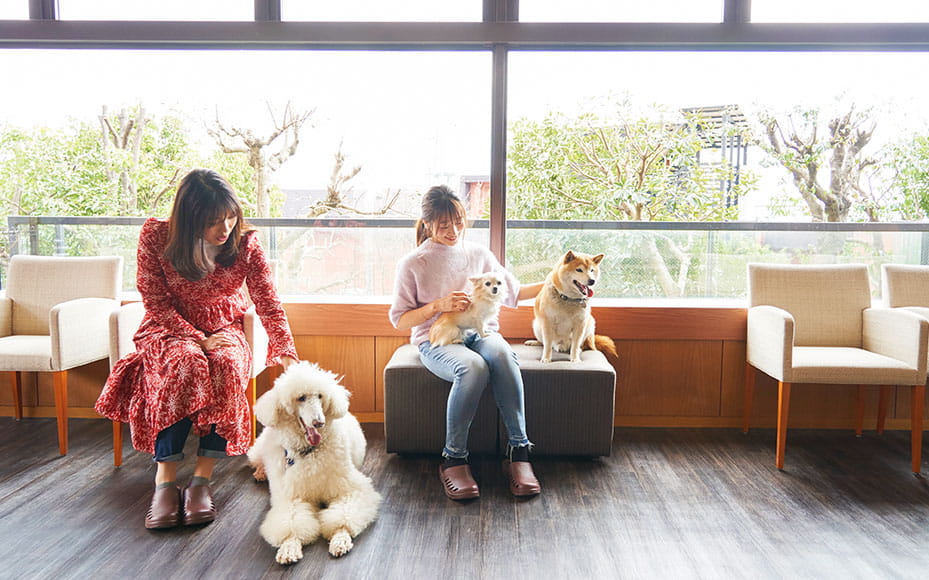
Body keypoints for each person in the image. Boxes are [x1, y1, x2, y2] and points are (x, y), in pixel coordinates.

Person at [95, 168, 299, 529]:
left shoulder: (245, 243)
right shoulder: (156, 236)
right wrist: (194, 337)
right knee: (185, 363)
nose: (224, 229)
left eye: (230, 216)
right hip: (168, 326)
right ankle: (165, 481)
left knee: (228, 365)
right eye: (212, 221)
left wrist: (285, 348)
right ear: (189, 219)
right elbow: (155, 300)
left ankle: (201, 481)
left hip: (224, 327)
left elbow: (268, 301)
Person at [389, 185, 544, 500]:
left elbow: (513, 292)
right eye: (444, 225)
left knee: (502, 355)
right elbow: (400, 320)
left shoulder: (479, 254)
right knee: (472, 368)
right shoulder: (413, 263)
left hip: (481, 332)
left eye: (458, 222)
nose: (453, 231)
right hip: (439, 340)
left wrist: (560, 279)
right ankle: (453, 458)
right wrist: (437, 306)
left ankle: (519, 452)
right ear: (428, 223)